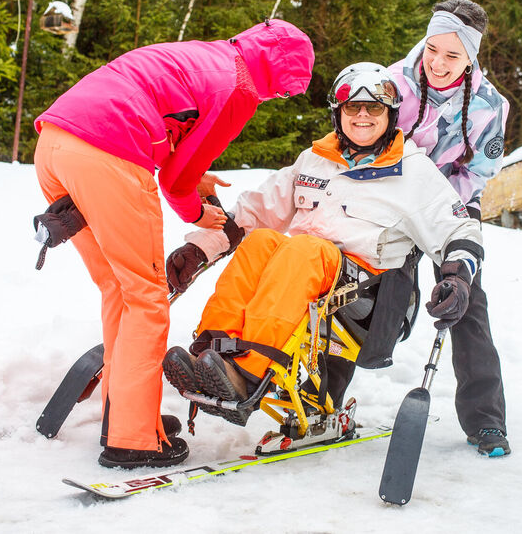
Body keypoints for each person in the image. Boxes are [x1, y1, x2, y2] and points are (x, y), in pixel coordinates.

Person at [33, 19, 315, 469]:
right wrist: (200, 212)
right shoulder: (241, 88)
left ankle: (125, 413)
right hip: (110, 155)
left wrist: (193, 176)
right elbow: (177, 179)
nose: (275, 98)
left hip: (55, 143)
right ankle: (133, 440)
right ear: (275, 74)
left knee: (119, 290)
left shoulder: (207, 55)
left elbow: (165, 120)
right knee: (147, 299)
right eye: (283, 91)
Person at [163, 62, 484, 430]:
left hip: (369, 298)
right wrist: (202, 248)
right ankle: (212, 355)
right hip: (306, 277)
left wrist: (457, 277)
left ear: (391, 115)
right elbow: (255, 211)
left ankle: (250, 370)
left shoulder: (413, 171)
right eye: (352, 107)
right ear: (338, 113)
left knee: (304, 249)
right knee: (263, 242)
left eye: (374, 108)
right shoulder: (316, 159)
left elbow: (458, 228)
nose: (362, 115)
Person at [388, 0, 512, 457]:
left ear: (471, 58)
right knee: (361, 291)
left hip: (451, 206)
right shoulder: (392, 82)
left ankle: (486, 421)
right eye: (432, 49)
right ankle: (324, 406)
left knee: (467, 302)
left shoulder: (488, 106)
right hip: (390, 202)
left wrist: (445, 220)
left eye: (452, 55)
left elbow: (478, 172)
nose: (437, 63)